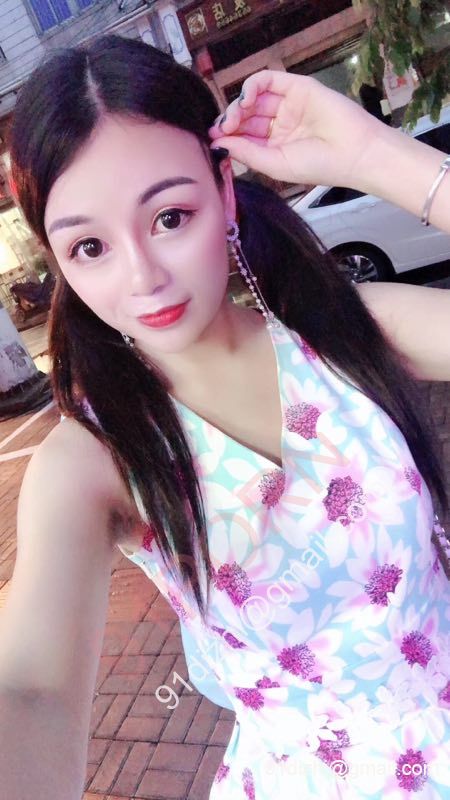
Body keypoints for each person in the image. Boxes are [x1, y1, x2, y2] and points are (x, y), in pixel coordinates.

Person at [0, 33, 449, 799]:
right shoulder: (96, 460)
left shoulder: (346, 336)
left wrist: (372, 155)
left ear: (225, 192)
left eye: (170, 217)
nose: (142, 277)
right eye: (90, 247)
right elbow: (33, 689)